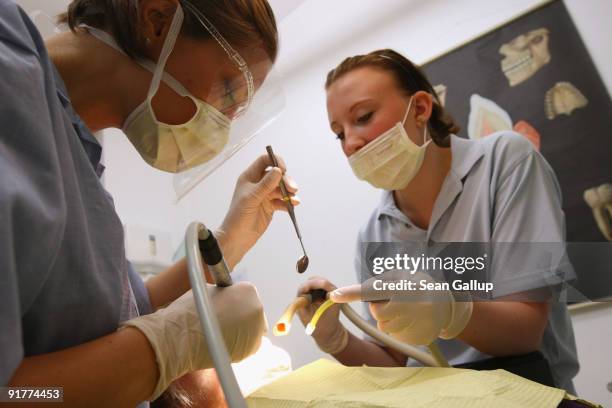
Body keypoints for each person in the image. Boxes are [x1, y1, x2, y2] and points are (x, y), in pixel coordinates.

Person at [0, 0, 298, 406]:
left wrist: (232, 236)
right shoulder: (9, 69)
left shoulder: (80, 159)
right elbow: (16, 395)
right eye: (227, 92)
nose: (221, 126)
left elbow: (130, 313)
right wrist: (166, 348)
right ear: (157, 21)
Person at [297, 49, 578, 393]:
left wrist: (449, 310)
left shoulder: (506, 162)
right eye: (339, 133)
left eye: (364, 116)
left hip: (531, 394)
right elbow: (398, 363)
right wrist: (338, 340)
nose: (351, 143)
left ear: (420, 109)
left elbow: (525, 331)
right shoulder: (374, 232)